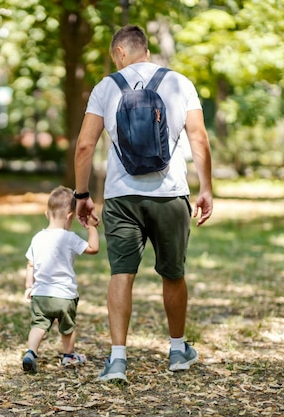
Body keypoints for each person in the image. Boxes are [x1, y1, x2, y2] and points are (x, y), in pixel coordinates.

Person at [73, 24, 213, 382]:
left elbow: (85, 146)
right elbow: (199, 139)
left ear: (120, 53)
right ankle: (178, 350)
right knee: (173, 272)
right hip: (170, 195)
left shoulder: (106, 87)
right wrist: (206, 188)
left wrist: (82, 194)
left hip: (122, 198)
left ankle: (117, 359)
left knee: (121, 274)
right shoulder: (180, 83)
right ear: (145, 50)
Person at [22, 185, 100, 373]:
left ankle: (31, 352)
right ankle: (68, 356)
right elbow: (93, 248)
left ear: (46, 214)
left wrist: (28, 287)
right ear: (70, 216)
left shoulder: (37, 238)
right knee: (67, 328)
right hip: (65, 295)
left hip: (41, 294)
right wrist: (91, 227)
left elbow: (30, 264)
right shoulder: (70, 238)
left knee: (39, 325)